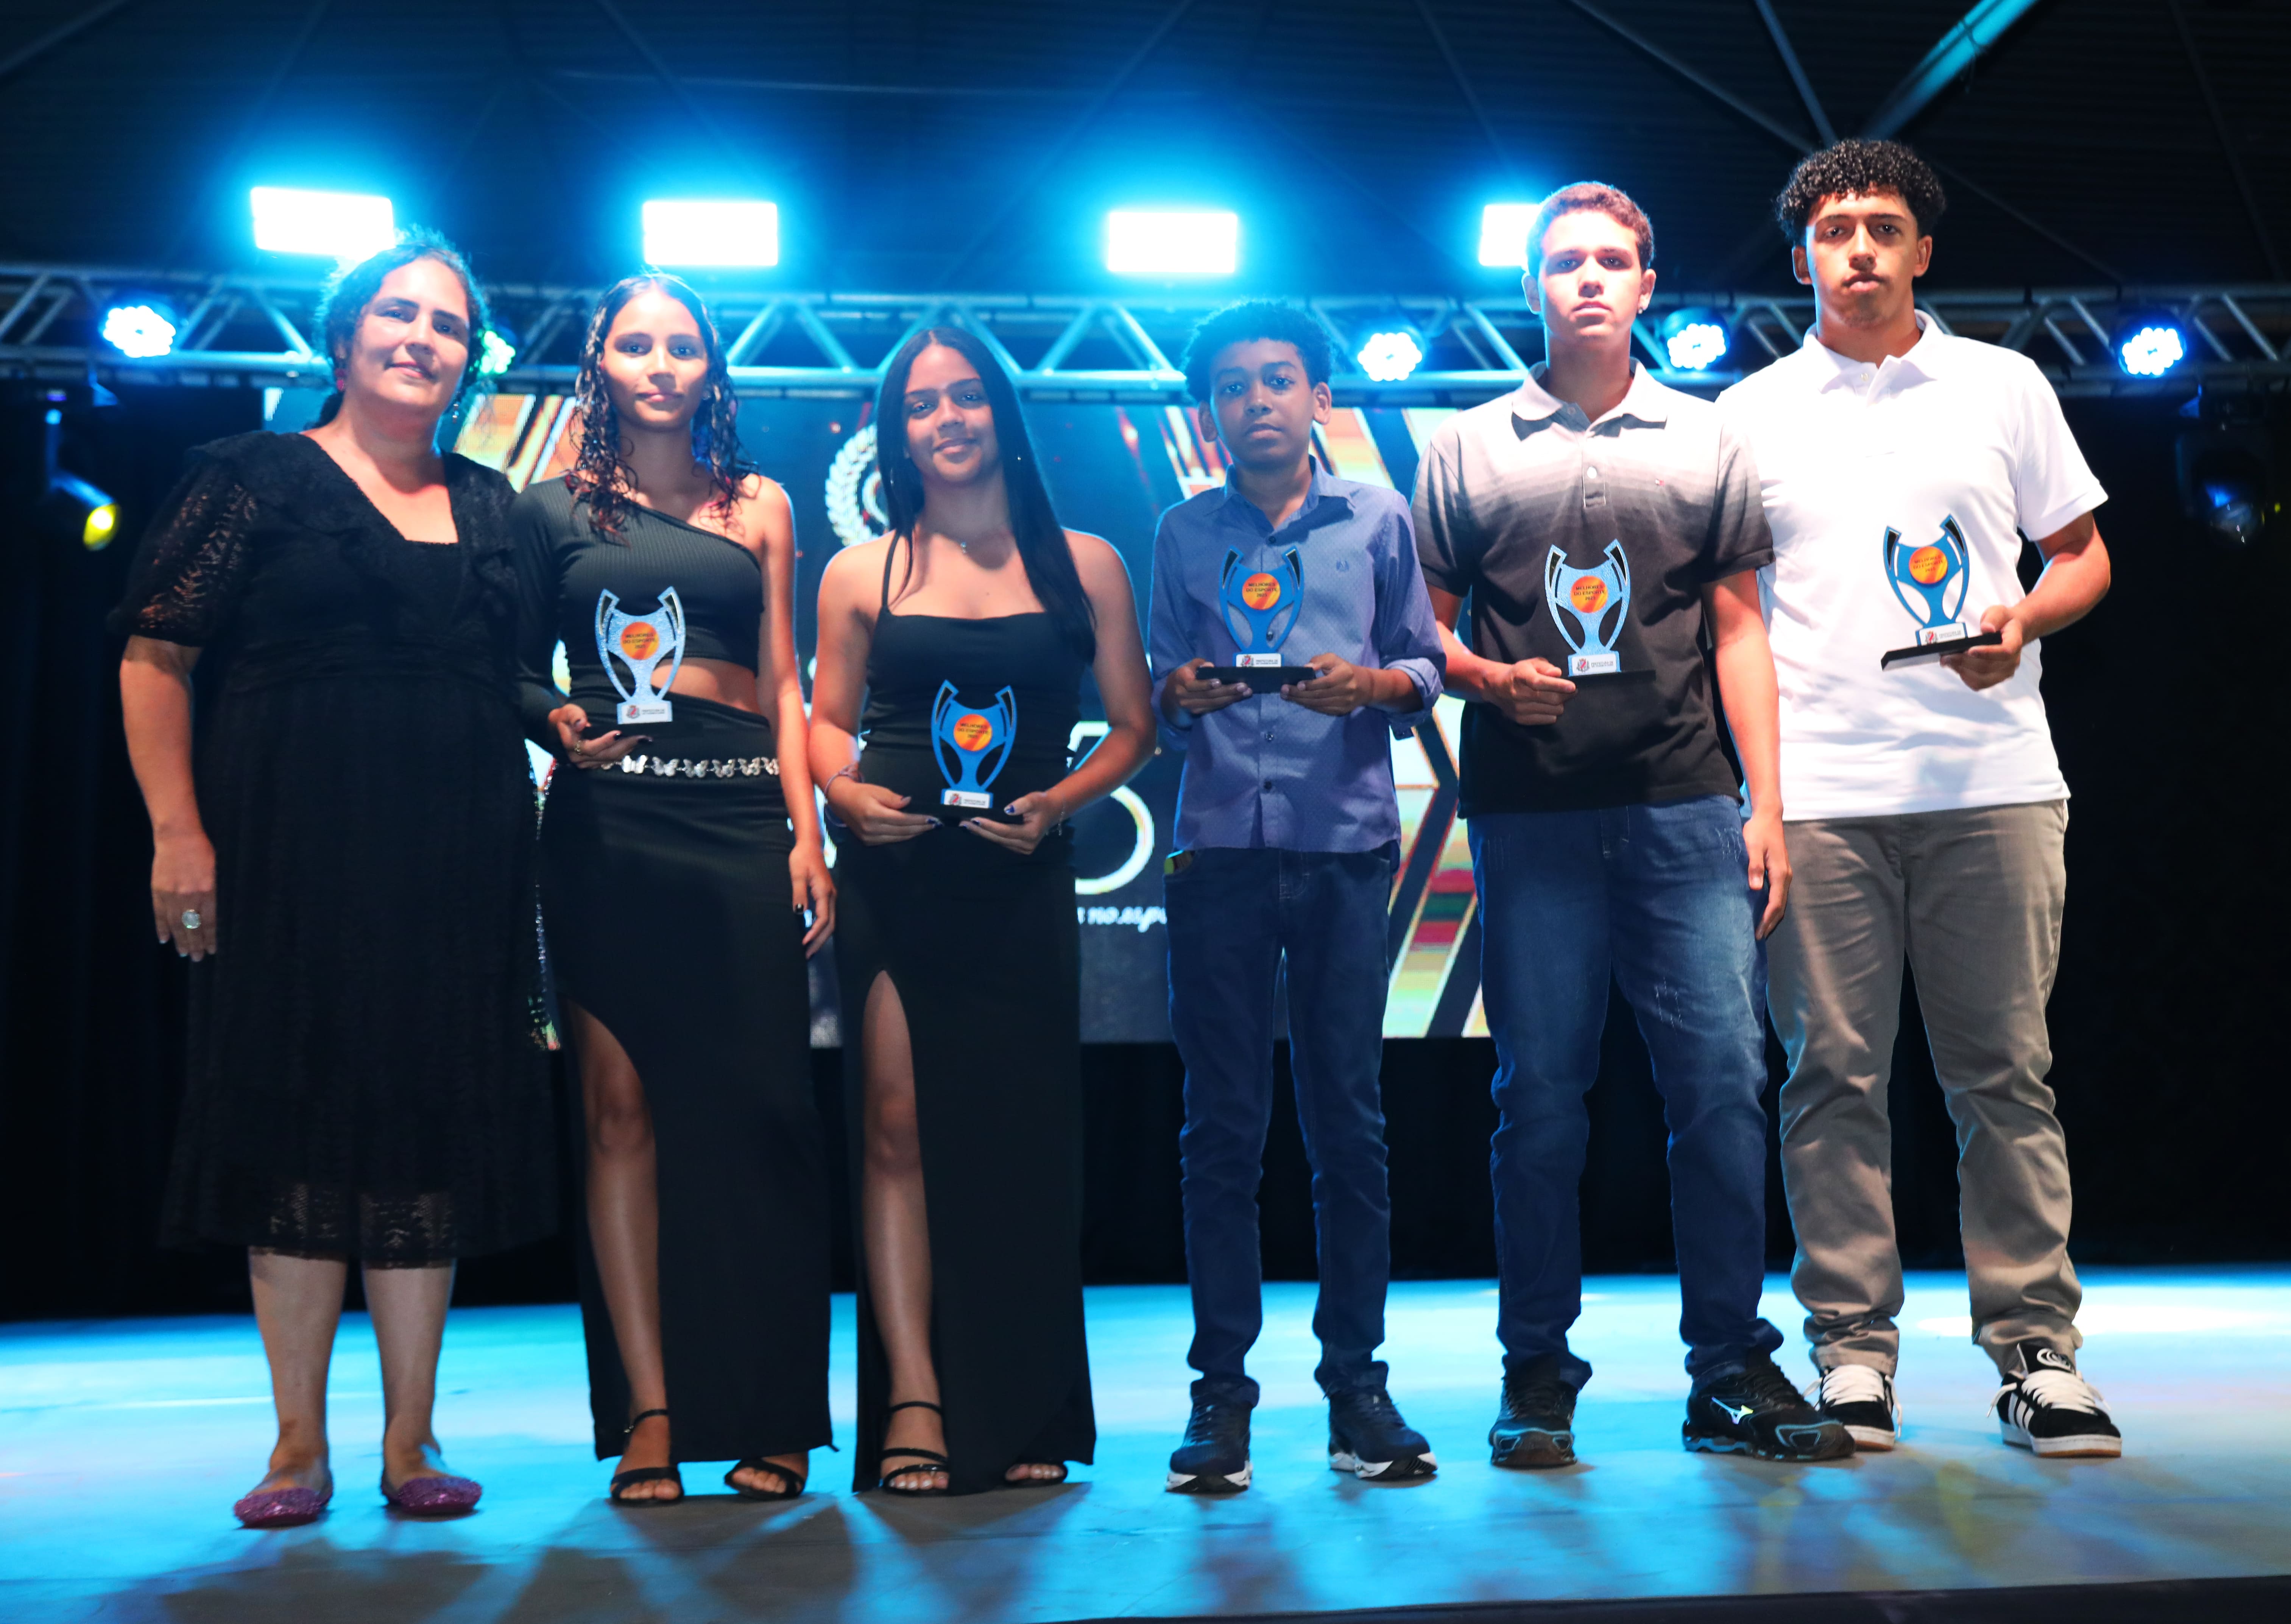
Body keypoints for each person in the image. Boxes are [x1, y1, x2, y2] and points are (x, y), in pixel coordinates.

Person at [112, 232, 555, 1527]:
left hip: (458, 865)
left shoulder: (492, 506)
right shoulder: (248, 478)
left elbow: (513, 678)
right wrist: (177, 832)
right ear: (346, 334)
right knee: (292, 1130)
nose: (424, 339)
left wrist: (570, 725)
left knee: (427, 1132)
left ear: (470, 361)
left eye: (450, 325)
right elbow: (154, 656)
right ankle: (296, 1443)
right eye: (400, 314)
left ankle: (412, 1439)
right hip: (287, 855)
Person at [1413, 183, 1850, 1468]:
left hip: (1684, 807)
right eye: (1566, 263)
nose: (1590, 279)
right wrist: (1487, 679)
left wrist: (1764, 805)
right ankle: (1535, 1374)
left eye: (1613, 260)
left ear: (1647, 285)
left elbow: (1738, 630)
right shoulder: (1468, 447)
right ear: (1532, 288)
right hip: (1529, 817)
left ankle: (1728, 1368)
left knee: (1721, 1087)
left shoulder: (1705, 437)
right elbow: (1418, 635)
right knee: (1538, 1102)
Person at [1717, 140, 2119, 1457]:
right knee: (1828, 1078)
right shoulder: (1748, 412)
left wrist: (2024, 619)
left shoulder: (2002, 384)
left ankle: (2036, 1352)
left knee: (2002, 1074)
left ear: (1922, 251)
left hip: (1991, 783)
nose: (1860, 250)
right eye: (1834, 231)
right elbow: (1730, 619)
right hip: (1820, 797)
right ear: (1801, 259)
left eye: (1883, 228)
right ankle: (1851, 1353)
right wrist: (1760, 797)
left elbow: (2081, 556)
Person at [808, 326, 1155, 1495]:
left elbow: (1133, 727)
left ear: (1002, 413)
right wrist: (843, 791)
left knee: (1017, 1141)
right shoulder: (860, 571)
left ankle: (1020, 1400)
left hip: (1018, 879)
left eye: (965, 397)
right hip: (894, 878)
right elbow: (824, 718)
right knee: (893, 1128)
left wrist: (1056, 803)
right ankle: (913, 1393)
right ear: (895, 432)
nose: (946, 419)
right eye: (921, 405)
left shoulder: (1086, 564)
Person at [511, 275, 836, 1505]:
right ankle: (647, 1412)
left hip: (741, 809)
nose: (659, 363)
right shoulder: (548, 509)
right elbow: (505, 667)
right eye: (636, 343)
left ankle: (773, 1408)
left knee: (763, 1114)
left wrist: (807, 834)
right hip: (608, 824)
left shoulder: (760, 502)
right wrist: (555, 719)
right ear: (599, 359)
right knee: (617, 1116)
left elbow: (787, 680)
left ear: (711, 367)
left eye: (682, 345)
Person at [1149, 302, 1445, 1494]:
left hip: (1342, 849)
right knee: (1220, 1131)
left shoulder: (1377, 516)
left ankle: (1355, 1389)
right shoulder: (1181, 531)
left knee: (1348, 1126)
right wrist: (1178, 693)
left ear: (1320, 396)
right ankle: (1219, 1395)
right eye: (1231, 386)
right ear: (1208, 411)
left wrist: (1371, 684)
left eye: (1277, 379)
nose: (1255, 400)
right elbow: (1158, 685)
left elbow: (1423, 663)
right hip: (1217, 851)